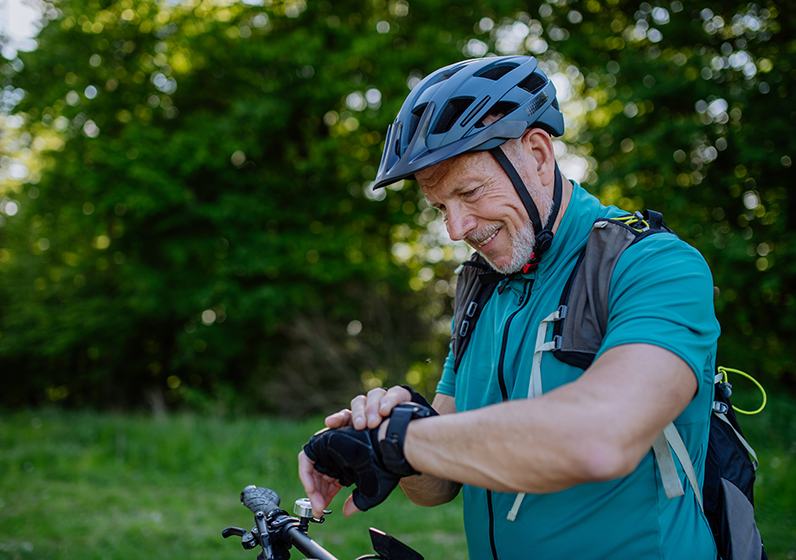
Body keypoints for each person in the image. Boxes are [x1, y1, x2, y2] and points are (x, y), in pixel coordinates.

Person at [298, 55, 720, 560]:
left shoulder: (653, 265)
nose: (456, 229)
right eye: (439, 208)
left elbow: (603, 436)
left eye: (470, 191)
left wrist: (402, 439)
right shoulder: (483, 287)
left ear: (538, 156)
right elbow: (437, 486)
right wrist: (388, 435)